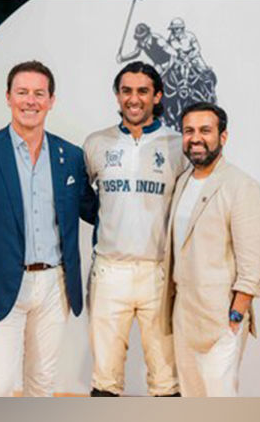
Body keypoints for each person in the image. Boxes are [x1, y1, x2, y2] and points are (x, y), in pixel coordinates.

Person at [0, 60, 97, 397]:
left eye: (39, 93)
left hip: (55, 286)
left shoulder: (70, 156)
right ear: (8, 97)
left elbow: (93, 209)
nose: (31, 101)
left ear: (51, 100)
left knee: (42, 384)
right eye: (23, 92)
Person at [83, 61, 187, 397]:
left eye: (143, 91)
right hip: (110, 270)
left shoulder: (177, 144)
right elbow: (85, 202)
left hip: (158, 272)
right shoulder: (97, 143)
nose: (134, 98)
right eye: (126, 91)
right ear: (117, 96)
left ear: (157, 96)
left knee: (166, 378)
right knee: (105, 378)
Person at [160, 102, 260, 397]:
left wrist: (236, 316)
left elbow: (255, 261)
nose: (196, 138)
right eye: (189, 131)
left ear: (223, 137)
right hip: (184, 314)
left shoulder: (241, 186)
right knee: (191, 396)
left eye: (205, 130)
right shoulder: (183, 181)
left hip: (221, 317)